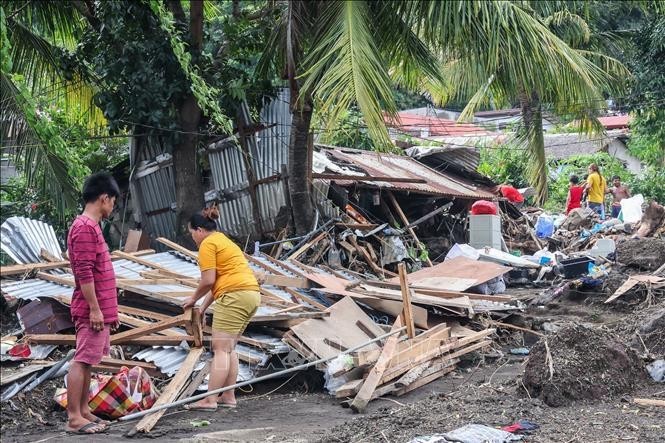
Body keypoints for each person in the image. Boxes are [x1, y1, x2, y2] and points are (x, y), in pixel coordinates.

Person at [182, 207, 261, 411]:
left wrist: (192, 298)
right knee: (229, 348)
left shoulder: (207, 244)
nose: (193, 238)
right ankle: (228, 396)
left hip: (234, 295)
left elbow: (208, 280)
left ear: (199, 230)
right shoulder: (223, 240)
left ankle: (209, 399)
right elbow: (218, 282)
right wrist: (201, 308)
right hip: (250, 294)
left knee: (219, 349)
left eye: (192, 233)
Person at [65, 172, 120, 434]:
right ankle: (74, 417)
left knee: (88, 361)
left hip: (99, 310)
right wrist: (97, 309)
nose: (113, 207)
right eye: (113, 201)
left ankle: (84, 410)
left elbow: (100, 272)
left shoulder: (92, 227)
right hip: (90, 310)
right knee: (82, 360)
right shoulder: (85, 228)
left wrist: (110, 312)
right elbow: (84, 273)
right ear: (104, 198)